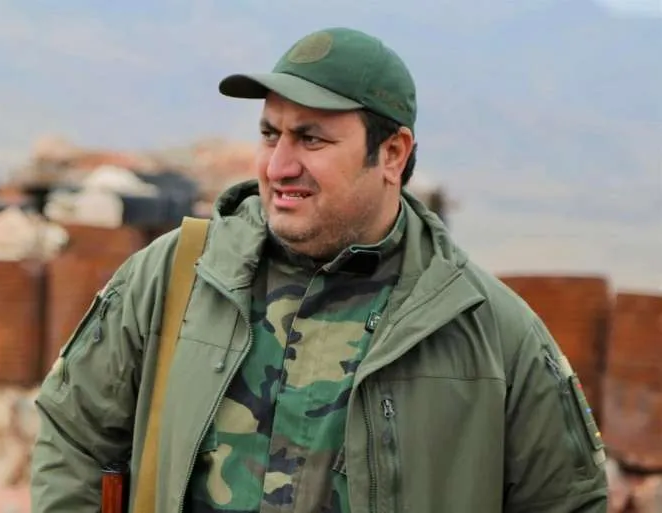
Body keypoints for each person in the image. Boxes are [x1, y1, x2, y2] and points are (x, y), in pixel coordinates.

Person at [31, 27, 608, 512]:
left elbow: (568, 501)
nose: (279, 165)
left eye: (311, 139)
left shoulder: (490, 332)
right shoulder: (173, 279)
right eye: (269, 134)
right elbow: (74, 438)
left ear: (392, 153)